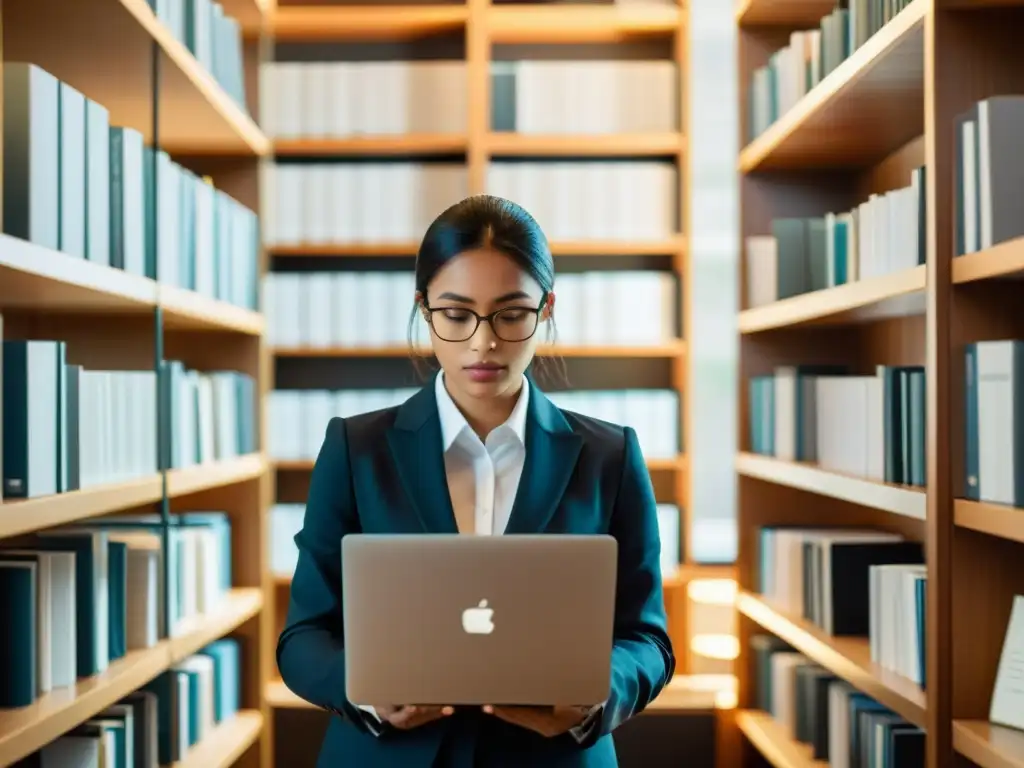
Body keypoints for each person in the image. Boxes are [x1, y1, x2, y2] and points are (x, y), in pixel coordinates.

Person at [276, 194, 676, 767]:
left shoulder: (610, 455)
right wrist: (363, 688)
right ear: (424, 308)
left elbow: (649, 639)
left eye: (511, 314)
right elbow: (303, 637)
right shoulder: (355, 449)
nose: (482, 343)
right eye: (457, 314)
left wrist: (595, 694)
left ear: (547, 310)